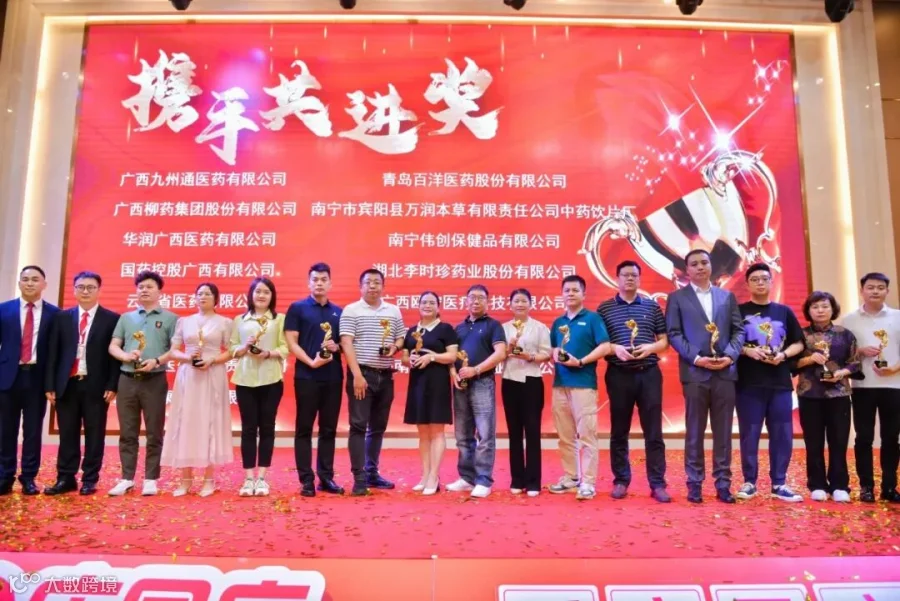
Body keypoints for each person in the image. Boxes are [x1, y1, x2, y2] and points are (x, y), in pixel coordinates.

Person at [665, 249, 744, 504]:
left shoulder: (726, 296)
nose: (700, 267)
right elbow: (674, 334)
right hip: (695, 372)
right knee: (694, 432)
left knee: (724, 433)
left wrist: (730, 356)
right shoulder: (677, 298)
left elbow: (738, 331)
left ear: (711, 265)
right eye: (694, 264)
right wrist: (697, 358)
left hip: (724, 372)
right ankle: (694, 483)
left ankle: (723, 484)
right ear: (687, 269)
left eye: (704, 262)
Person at [597, 261, 670, 503]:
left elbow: (664, 341)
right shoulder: (605, 308)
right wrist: (614, 348)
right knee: (619, 430)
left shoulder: (652, 306)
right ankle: (621, 480)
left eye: (634, 275)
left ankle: (657, 483)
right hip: (618, 374)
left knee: (654, 431)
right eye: (625, 275)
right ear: (617, 278)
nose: (629, 278)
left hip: (649, 373)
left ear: (639, 279)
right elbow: (600, 343)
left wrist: (650, 348)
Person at [43, 271, 120, 496]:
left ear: (99, 290)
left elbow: (114, 357)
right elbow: (53, 354)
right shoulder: (61, 318)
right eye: (81, 287)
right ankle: (65, 477)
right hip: (67, 384)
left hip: (96, 386)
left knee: (95, 434)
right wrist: (50, 385)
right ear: (74, 290)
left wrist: (112, 384)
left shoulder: (111, 319)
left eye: (90, 287)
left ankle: (89, 479)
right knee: (67, 433)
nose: (85, 291)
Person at [735, 263, 806, 502]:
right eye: (754, 279)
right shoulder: (738, 311)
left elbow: (799, 343)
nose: (760, 282)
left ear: (771, 282)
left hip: (780, 383)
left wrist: (783, 355)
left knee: (782, 434)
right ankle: (749, 482)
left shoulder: (783, 311)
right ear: (747, 284)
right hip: (748, 382)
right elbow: (728, 342)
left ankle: (779, 483)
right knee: (749, 434)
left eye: (764, 278)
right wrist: (747, 351)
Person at [107, 270, 177, 496]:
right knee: (127, 432)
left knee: (154, 432)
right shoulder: (126, 318)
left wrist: (157, 361)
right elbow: (113, 345)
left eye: (149, 287)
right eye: (141, 287)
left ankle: (151, 479)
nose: (144, 290)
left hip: (154, 380)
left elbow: (175, 349)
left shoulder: (171, 318)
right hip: (127, 380)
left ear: (159, 291)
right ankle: (126, 478)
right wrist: (125, 356)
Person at [161, 283, 233, 497]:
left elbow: (231, 351)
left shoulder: (225, 322)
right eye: (199, 294)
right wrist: (187, 358)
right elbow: (174, 351)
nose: (203, 297)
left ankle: (209, 480)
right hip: (189, 376)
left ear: (216, 298)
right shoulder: (184, 322)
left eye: (208, 294)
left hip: (213, 374)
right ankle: (185, 480)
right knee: (186, 422)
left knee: (210, 421)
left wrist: (212, 360)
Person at [339, 268, 406, 496]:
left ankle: (372, 473)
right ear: (361, 287)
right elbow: (346, 343)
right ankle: (359, 479)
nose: (373, 286)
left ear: (383, 286)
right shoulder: (351, 310)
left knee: (378, 427)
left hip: (385, 376)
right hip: (362, 375)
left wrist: (395, 347)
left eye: (377, 282)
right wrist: (357, 375)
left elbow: (401, 337)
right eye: (368, 282)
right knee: (358, 426)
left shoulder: (393, 311)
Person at [548, 275, 611, 501]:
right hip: (560, 385)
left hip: (584, 385)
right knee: (565, 436)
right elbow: (553, 349)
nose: (571, 294)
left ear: (584, 294)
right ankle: (571, 477)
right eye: (567, 290)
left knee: (586, 435)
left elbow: (605, 346)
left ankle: (588, 482)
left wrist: (581, 361)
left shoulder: (593, 319)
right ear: (562, 294)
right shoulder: (558, 322)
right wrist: (555, 353)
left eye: (575, 290)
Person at [285, 263, 345, 497]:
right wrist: (311, 362)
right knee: (304, 428)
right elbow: (292, 342)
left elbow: (345, 344)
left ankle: (326, 477)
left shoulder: (339, 312)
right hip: (306, 376)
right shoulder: (297, 308)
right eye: (315, 279)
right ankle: (306, 479)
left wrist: (336, 347)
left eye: (323, 279)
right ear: (309, 283)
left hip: (333, 377)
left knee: (328, 428)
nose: (319, 283)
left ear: (330, 283)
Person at [841, 272, 900, 503]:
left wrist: (893, 369)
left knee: (891, 437)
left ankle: (889, 486)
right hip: (862, 385)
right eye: (870, 287)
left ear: (887, 291)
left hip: (894, 386)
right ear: (862, 290)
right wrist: (859, 351)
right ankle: (866, 486)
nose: (875, 291)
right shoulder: (849, 320)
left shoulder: (897, 317)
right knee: (863, 438)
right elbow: (841, 353)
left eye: (880, 287)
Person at [0, 266, 59, 495]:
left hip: (36, 378)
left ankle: (28, 477)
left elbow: (55, 352)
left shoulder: (55, 314)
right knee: (6, 429)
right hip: (7, 378)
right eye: (25, 279)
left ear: (44, 284)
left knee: (33, 431)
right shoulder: (4, 310)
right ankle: (4, 475)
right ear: (19, 283)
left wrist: (52, 383)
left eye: (35, 279)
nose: (30, 283)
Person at [795, 291, 860, 503]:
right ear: (808, 311)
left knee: (839, 441)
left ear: (833, 309)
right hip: (809, 395)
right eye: (815, 307)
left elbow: (855, 363)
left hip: (838, 393)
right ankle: (817, 485)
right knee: (813, 442)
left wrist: (842, 373)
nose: (820, 311)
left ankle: (840, 485)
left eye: (825, 306)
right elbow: (791, 363)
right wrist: (809, 359)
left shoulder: (845, 334)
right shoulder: (801, 335)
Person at [229, 277, 288, 497]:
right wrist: (244, 347)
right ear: (251, 295)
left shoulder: (279, 319)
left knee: (267, 428)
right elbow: (232, 347)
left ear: (272, 296)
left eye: (266, 292)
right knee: (248, 429)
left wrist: (268, 353)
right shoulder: (240, 320)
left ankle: (262, 478)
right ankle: (248, 479)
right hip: (245, 380)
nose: (261, 295)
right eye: (258, 291)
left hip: (271, 379)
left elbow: (285, 347)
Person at [447, 284, 507, 499]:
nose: (476, 301)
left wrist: (476, 370)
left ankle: (483, 480)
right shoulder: (459, 329)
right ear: (466, 301)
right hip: (461, 385)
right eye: (472, 297)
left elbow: (501, 353)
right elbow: (451, 355)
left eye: (481, 297)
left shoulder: (493, 326)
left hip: (482, 382)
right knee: (462, 435)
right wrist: (453, 373)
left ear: (487, 302)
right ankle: (467, 477)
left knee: (485, 434)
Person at [402, 291, 458, 495]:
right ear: (418, 305)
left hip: (438, 383)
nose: (427, 305)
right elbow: (404, 358)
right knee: (423, 432)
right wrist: (410, 360)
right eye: (424, 302)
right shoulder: (412, 331)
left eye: (431, 302)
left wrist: (431, 357)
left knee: (436, 431)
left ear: (438, 306)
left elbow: (452, 356)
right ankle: (425, 475)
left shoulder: (446, 329)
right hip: (417, 383)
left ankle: (434, 476)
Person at [501, 288, 550, 497]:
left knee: (532, 431)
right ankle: (517, 479)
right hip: (509, 381)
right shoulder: (503, 328)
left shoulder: (540, 327)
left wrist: (528, 356)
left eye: (524, 301)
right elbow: (499, 354)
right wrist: (509, 348)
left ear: (531, 304)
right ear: (510, 305)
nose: (520, 304)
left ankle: (533, 481)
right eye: (516, 301)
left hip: (532, 382)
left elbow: (546, 354)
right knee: (514, 432)